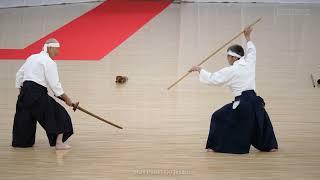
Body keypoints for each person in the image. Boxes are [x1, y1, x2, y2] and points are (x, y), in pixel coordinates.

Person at [189, 27, 278, 154]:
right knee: (261, 120)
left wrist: (199, 69)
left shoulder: (231, 71)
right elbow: (252, 51)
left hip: (243, 104)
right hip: (256, 102)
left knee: (218, 116)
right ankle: (270, 146)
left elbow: (214, 79)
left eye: (228, 56)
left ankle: (215, 146)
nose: (228, 59)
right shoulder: (249, 63)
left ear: (234, 58)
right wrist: (248, 37)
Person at [13, 38, 75, 150]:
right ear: (50, 48)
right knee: (61, 114)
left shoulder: (32, 57)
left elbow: (19, 74)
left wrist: (21, 92)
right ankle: (59, 144)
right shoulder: (49, 62)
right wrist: (68, 99)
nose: (58, 52)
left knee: (25, 118)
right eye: (57, 49)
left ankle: (22, 143)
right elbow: (55, 85)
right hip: (37, 94)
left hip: (24, 93)